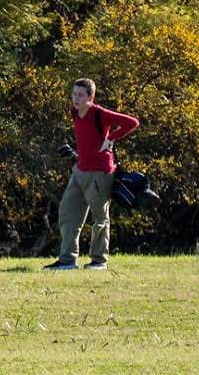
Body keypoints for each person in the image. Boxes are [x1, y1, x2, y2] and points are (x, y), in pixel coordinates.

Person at [44, 77, 139, 271]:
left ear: (91, 97)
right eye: (74, 94)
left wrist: (111, 138)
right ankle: (67, 260)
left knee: (99, 219)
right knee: (67, 213)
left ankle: (99, 261)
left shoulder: (99, 114)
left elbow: (132, 122)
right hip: (79, 171)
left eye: (80, 95)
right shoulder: (75, 113)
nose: (76, 98)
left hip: (100, 173)